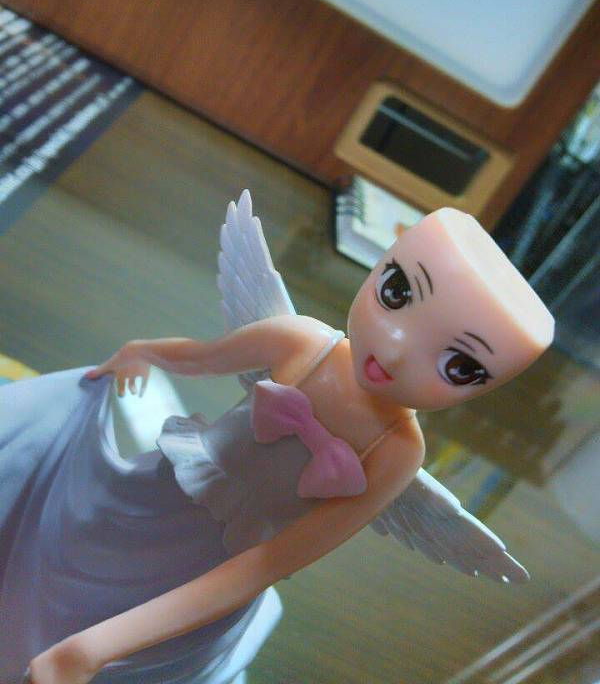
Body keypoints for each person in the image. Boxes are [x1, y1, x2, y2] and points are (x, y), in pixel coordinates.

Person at [1, 193, 553, 683]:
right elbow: (202, 358)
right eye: (397, 291)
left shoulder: (396, 451)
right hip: (147, 502)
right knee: (41, 555)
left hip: (219, 569)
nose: (393, 349)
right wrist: (139, 352)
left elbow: (267, 564)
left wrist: (97, 648)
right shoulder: (303, 343)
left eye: (460, 367)